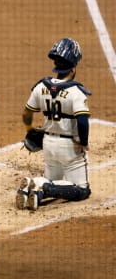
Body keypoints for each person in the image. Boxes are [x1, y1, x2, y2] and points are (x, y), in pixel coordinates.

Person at [17, 38, 91, 211]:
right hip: (69, 147)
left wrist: (30, 129)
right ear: (73, 66)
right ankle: (44, 189)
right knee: (82, 190)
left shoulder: (40, 86)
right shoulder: (76, 92)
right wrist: (84, 142)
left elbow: (26, 113)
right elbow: (82, 121)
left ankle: (35, 185)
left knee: (54, 178)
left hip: (48, 143)